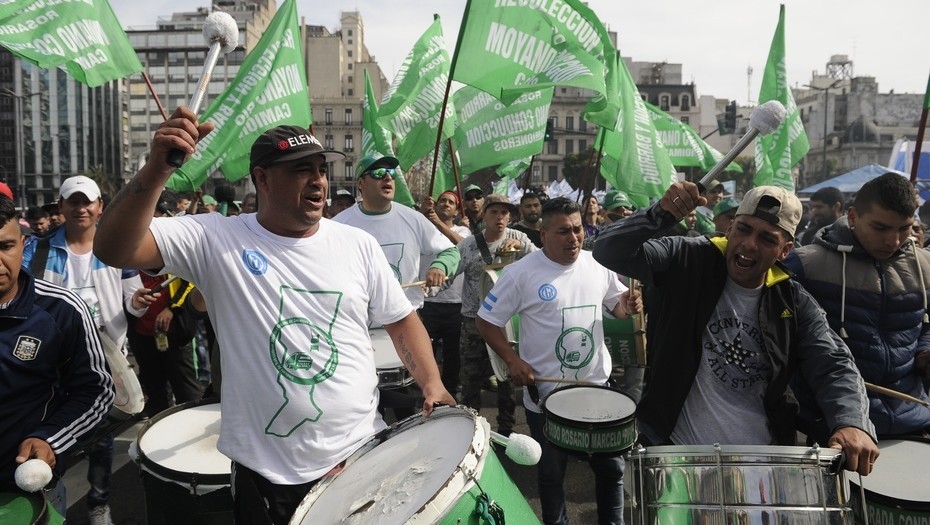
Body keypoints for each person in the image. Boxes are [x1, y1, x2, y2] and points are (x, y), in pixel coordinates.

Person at [93, 113, 455, 524]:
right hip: (267, 475)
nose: (318, 180)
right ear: (262, 179)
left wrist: (432, 383)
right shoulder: (216, 238)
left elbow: (401, 320)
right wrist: (158, 169)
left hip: (360, 454)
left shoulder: (358, 244)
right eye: (302, 170)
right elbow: (113, 248)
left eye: (321, 169)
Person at [592, 182, 879, 477]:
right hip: (676, 456)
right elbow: (607, 250)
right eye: (743, 229)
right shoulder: (685, 259)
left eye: (767, 238)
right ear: (729, 228)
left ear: (785, 249)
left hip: (762, 467)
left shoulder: (793, 302)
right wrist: (660, 213)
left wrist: (852, 422)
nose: (749, 244)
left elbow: (834, 363)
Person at [477, 197, 641, 525]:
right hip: (546, 399)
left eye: (578, 230)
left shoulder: (597, 264)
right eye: (564, 231)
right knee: (552, 476)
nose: (574, 238)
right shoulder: (520, 273)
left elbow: (616, 307)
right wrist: (512, 360)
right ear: (543, 233)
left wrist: (628, 305)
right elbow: (486, 320)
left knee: (611, 472)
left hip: (597, 391)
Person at [23, 175, 151, 525]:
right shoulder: (37, 249)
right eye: (73, 202)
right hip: (52, 357)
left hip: (104, 356)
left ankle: (98, 503)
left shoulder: (118, 248)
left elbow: (132, 300)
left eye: (87, 202)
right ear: (61, 208)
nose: (80, 209)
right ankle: (45, 499)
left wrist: (138, 302)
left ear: (99, 208)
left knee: (99, 436)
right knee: (47, 428)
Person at [785, 173, 930, 437]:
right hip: (829, 429)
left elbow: (927, 325)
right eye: (881, 228)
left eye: (904, 228)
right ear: (852, 216)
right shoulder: (805, 266)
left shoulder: (925, 266)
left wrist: (926, 349)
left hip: (913, 422)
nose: (894, 240)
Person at [0, 196, 114, 517]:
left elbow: (97, 391)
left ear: (24, 245)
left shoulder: (61, 309)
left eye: (6, 246)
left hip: (27, 489)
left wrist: (49, 439)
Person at [334, 152, 460, 311]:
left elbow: (451, 251)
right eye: (378, 173)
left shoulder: (413, 218)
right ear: (361, 183)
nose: (387, 178)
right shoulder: (339, 224)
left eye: (391, 173)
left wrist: (440, 266)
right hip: (358, 322)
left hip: (406, 319)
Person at [454, 194, 536, 437]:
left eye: (504, 212)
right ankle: (471, 433)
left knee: (507, 378)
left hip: (506, 322)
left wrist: (522, 250)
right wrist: (438, 272)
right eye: (494, 212)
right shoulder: (469, 245)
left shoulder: (520, 238)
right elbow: (451, 266)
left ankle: (508, 431)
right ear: (484, 215)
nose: (500, 217)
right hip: (473, 321)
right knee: (470, 380)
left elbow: (541, 261)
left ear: (510, 216)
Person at [126, 202, 204, 418]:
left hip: (174, 330)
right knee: (155, 391)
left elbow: (191, 280)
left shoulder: (173, 245)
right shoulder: (127, 249)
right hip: (142, 332)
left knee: (187, 391)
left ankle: (190, 437)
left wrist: (171, 309)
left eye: (154, 214)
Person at [419, 190, 471, 398]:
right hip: (428, 302)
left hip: (455, 305)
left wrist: (438, 223)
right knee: (424, 353)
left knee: (453, 355)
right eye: (442, 201)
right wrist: (425, 219)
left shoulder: (463, 230)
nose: (446, 204)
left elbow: (463, 246)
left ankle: (449, 395)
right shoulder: (423, 228)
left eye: (451, 202)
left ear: (457, 210)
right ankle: (425, 392)